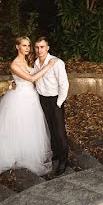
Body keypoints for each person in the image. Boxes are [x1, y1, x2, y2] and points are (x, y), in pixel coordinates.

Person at [0, 37, 56, 175]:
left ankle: (27, 152)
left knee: (30, 126)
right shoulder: (14, 64)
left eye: (28, 45)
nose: (27, 48)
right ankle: (14, 153)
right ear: (17, 47)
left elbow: (28, 78)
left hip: (31, 97)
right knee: (17, 126)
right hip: (19, 99)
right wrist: (49, 66)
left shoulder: (27, 61)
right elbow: (32, 78)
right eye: (24, 45)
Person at [31, 36, 70, 176]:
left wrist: (59, 103)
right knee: (50, 128)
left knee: (59, 131)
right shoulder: (36, 63)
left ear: (47, 48)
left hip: (55, 100)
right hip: (42, 99)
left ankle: (64, 160)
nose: (39, 50)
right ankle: (56, 153)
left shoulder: (57, 63)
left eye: (42, 47)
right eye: (37, 47)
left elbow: (64, 84)